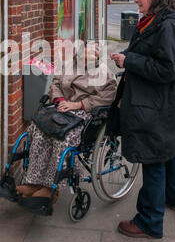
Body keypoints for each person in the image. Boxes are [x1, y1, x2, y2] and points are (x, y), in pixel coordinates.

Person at [110, 0, 175, 239]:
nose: (136, 0)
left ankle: (149, 221)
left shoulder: (167, 26)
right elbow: (150, 53)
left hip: (156, 104)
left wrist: (129, 60)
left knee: (153, 157)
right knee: (166, 151)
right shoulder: (154, 21)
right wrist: (127, 55)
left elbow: (167, 69)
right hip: (160, 103)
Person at [17, 41, 117, 203]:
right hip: (61, 107)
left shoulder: (105, 74)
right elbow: (55, 83)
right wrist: (60, 99)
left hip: (83, 113)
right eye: (87, 49)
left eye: (95, 51)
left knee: (64, 136)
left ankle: (51, 188)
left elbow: (106, 97)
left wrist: (78, 104)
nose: (90, 53)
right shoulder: (69, 65)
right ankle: (34, 182)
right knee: (39, 129)